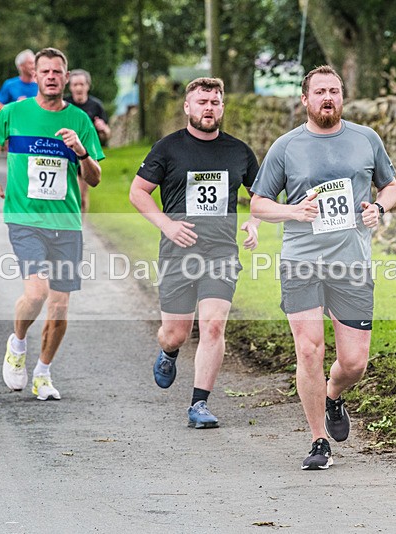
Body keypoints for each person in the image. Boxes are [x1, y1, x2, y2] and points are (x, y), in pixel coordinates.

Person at [250, 65, 396, 470]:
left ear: (342, 96)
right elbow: (258, 203)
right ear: (305, 99)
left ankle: (334, 395)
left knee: (354, 362)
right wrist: (293, 210)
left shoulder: (366, 139)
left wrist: (379, 208)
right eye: (319, 92)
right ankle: (318, 439)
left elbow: (391, 185)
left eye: (334, 90)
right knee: (309, 349)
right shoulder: (286, 147)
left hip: (351, 262)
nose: (327, 97)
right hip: (301, 261)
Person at [129, 77, 260, 429]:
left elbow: (261, 195)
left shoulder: (239, 151)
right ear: (187, 107)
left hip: (220, 251)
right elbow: (138, 192)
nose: (209, 108)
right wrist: (166, 225)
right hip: (177, 252)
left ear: (222, 107)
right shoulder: (167, 148)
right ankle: (168, 351)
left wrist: (254, 221)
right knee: (176, 333)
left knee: (214, 325)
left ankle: (199, 403)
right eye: (202, 102)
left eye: (215, 102)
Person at [0, 47, 104, 400]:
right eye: (44, 71)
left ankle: (43, 373)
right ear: (36, 76)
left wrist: (80, 151)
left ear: (65, 77)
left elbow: (94, 178)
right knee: (37, 292)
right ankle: (17, 344)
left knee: (60, 306)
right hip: (24, 218)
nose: (50, 77)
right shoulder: (14, 113)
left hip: (66, 223)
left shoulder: (80, 120)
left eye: (56, 72)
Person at [64, 69, 111, 215]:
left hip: (86, 154)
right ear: (70, 87)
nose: (78, 88)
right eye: (75, 84)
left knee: (81, 197)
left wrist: (103, 129)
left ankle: (81, 230)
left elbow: (107, 136)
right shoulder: (64, 104)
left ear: (87, 86)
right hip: (66, 153)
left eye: (81, 84)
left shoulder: (96, 106)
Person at [0, 49, 38, 153]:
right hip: (16, 126)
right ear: (21, 66)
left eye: (34, 62)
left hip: (36, 126)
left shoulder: (41, 84)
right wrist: (16, 105)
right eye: (30, 63)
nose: (33, 66)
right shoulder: (10, 84)